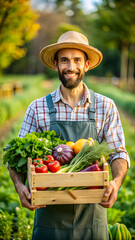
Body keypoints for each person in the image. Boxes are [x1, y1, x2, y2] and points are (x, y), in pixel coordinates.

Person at [9, 31, 130, 240]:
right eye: (64, 60)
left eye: (77, 60)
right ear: (56, 64)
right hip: (49, 222)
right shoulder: (37, 108)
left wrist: (116, 182)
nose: (70, 66)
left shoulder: (105, 106)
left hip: (93, 219)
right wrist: (20, 187)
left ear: (87, 64)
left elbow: (118, 152)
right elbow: (16, 160)